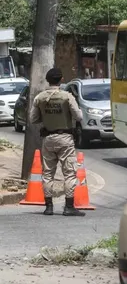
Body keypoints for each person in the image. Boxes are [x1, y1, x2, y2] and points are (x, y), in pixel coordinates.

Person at [30, 68, 86, 217]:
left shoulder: (39, 98)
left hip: (48, 139)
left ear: (48, 80)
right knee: (69, 172)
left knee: (47, 173)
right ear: (61, 80)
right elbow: (79, 116)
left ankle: (48, 207)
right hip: (65, 139)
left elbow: (33, 119)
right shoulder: (67, 97)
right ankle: (68, 206)